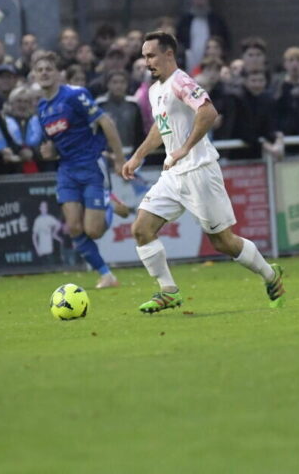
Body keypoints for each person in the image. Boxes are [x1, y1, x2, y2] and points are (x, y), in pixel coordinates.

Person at [120, 31, 284, 313]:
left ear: (169, 54)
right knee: (141, 229)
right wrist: (138, 156)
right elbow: (161, 126)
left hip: (199, 170)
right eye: (144, 56)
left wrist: (184, 148)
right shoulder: (156, 89)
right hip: (173, 174)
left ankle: (270, 274)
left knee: (223, 242)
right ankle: (169, 291)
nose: (147, 62)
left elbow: (208, 112)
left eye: (151, 55)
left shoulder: (181, 81)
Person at [32, 50, 126, 289]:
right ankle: (106, 275)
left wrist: (119, 159)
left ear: (58, 73)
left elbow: (106, 122)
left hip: (91, 165)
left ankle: (108, 203)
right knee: (73, 227)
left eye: (48, 69)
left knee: (93, 231)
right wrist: (50, 152)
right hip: (66, 170)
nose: (44, 73)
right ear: (34, 75)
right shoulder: (41, 108)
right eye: (39, 70)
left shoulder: (75, 95)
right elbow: (56, 144)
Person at [175, 0, 232, 72]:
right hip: (189, 61)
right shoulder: (185, 21)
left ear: (207, 0)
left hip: (213, 60)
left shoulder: (217, 20)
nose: (199, 3)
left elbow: (225, 40)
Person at [97, 70, 145, 151]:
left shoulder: (133, 105)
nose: (119, 86)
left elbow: (139, 132)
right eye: (114, 82)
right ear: (108, 84)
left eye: (122, 82)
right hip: (105, 152)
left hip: (129, 150)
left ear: (127, 84)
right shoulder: (100, 105)